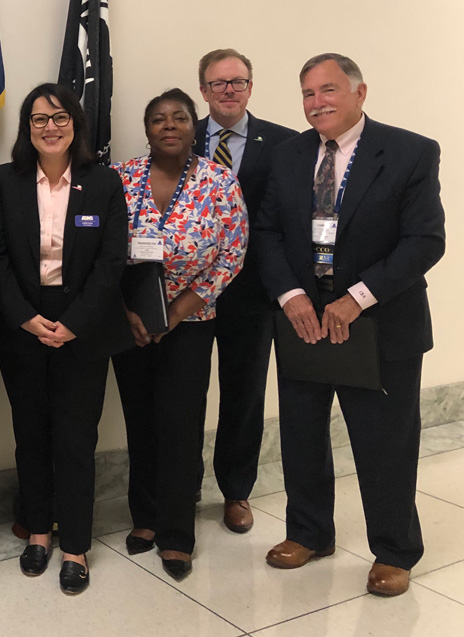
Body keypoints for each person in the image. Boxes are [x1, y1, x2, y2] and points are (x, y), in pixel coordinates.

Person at [256, 53, 444, 597]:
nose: (318, 103)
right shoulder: (290, 155)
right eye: (308, 94)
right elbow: (265, 231)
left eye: (329, 90)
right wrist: (291, 295)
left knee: (385, 441)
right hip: (304, 322)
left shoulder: (409, 151)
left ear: (360, 93)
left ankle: (394, 550)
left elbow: (425, 240)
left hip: (380, 324)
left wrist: (357, 298)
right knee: (302, 435)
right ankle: (309, 532)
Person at [0, 83, 129, 595]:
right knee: (31, 435)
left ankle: (77, 547)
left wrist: (75, 322)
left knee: (76, 438)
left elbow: (113, 263)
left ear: (76, 125)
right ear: (27, 128)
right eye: (40, 119)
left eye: (60, 118)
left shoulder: (104, 183)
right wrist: (24, 318)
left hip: (82, 329)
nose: (50, 127)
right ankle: (39, 532)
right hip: (24, 327)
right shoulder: (5, 181)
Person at [111, 88, 248, 580]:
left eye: (179, 118)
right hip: (129, 323)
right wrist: (130, 311)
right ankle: (144, 519)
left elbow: (231, 254)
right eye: (157, 119)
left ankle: (175, 533)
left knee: (179, 424)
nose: (168, 126)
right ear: (146, 129)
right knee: (139, 419)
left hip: (189, 325)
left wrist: (175, 312)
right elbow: (101, 253)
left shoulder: (218, 181)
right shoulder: (121, 178)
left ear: (195, 126)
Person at [193, 49, 298, 533]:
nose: (228, 90)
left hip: (253, 294)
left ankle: (236, 491)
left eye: (237, 82)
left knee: (244, 394)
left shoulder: (284, 144)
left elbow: (290, 222)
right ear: (204, 90)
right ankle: (183, 484)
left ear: (251, 87)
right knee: (185, 393)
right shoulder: (179, 136)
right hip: (187, 297)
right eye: (218, 83)